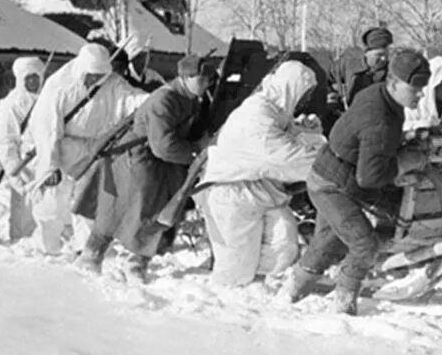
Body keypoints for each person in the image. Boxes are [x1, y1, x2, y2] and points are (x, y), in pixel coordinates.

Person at [288, 49, 432, 314]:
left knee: (325, 244)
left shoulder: (381, 96)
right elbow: (370, 177)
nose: (421, 94)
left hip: (334, 175)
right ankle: (343, 305)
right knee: (365, 245)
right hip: (331, 186)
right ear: (394, 83)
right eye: (415, 88)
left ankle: (292, 294)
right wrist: (404, 162)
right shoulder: (380, 120)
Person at [79, 54, 211, 281]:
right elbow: (163, 145)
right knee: (122, 209)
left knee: (159, 211)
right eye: (202, 79)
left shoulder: (189, 97)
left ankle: (137, 261)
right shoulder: (164, 100)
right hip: (135, 158)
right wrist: (196, 150)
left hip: (160, 162)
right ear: (186, 77)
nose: (206, 84)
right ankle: (92, 256)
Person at [196, 59, 324, 287]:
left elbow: (289, 135)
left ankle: (259, 289)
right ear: (291, 87)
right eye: (304, 93)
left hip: (262, 190)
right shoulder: (256, 113)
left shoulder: (274, 110)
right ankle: (221, 308)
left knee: (284, 245)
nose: (305, 100)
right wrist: (327, 159)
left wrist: (309, 132)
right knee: (235, 273)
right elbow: (285, 158)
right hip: (232, 193)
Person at [27, 43, 148, 255]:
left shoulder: (112, 83)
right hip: (63, 148)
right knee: (54, 202)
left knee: (88, 200)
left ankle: (85, 249)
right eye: (91, 74)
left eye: (98, 75)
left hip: (95, 150)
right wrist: (50, 166)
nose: (94, 79)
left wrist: (156, 100)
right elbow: (46, 129)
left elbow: (132, 98)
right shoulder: (59, 86)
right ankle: (47, 248)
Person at [0, 56, 46, 242]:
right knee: (23, 212)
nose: (33, 81)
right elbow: (6, 141)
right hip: (24, 164)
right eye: (29, 77)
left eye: (36, 76)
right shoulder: (11, 103)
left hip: (45, 163)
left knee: (47, 211)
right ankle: (21, 245)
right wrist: (13, 169)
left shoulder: (47, 99)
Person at [328, 26, 394, 122]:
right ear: (367, 53)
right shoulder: (348, 65)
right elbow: (327, 80)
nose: (384, 59)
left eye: (386, 55)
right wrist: (331, 95)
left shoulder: (392, 72)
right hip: (345, 118)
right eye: (379, 55)